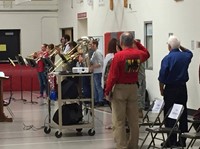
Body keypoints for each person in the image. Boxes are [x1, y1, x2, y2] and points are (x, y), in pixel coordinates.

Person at [105, 32, 150, 149]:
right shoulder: (139, 54)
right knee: (133, 121)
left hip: (120, 89)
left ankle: (122, 146)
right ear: (132, 42)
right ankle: (133, 145)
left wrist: (107, 91)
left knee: (119, 120)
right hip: (133, 89)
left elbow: (113, 76)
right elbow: (147, 53)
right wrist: (137, 44)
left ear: (121, 43)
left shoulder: (119, 56)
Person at [158, 35, 193, 147]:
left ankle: (171, 140)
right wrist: (179, 46)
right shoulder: (185, 57)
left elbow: (162, 77)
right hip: (182, 88)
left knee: (170, 114)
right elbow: (189, 52)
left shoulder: (167, 59)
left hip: (171, 89)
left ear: (169, 46)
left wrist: (161, 90)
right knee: (182, 113)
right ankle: (182, 140)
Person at [90, 39, 104, 106]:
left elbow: (100, 63)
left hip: (98, 72)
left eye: (91, 44)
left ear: (95, 45)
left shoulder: (98, 52)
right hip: (95, 72)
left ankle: (100, 100)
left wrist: (93, 67)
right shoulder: (94, 52)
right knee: (95, 87)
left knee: (98, 86)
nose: (90, 46)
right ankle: (96, 100)